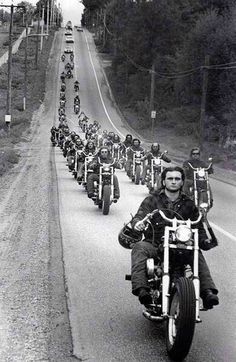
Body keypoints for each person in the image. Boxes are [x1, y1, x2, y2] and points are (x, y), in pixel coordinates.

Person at [130, 166, 219, 309]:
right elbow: (140, 215)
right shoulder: (152, 200)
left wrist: (204, 240)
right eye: (170, 178)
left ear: (182, 182)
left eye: (177, 179)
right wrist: (138, 224)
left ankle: (207, 292)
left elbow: (198, 228)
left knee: (196, 252)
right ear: (164, 181)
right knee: (139, 248)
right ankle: (142, 289)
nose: (173, 182)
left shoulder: (189, 204)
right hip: (154, 243)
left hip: (180, 245)